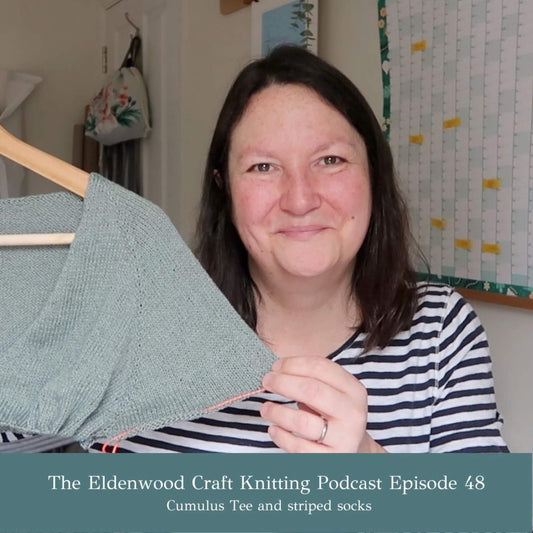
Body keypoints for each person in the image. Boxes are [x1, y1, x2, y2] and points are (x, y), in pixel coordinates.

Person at [3, 45, 508, 453]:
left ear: (374, 174)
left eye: (330, 159)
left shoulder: (441, 331)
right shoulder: (126, 321)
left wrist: (374, 479)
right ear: (225, 187)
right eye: (263, 167)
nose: (300, 198)